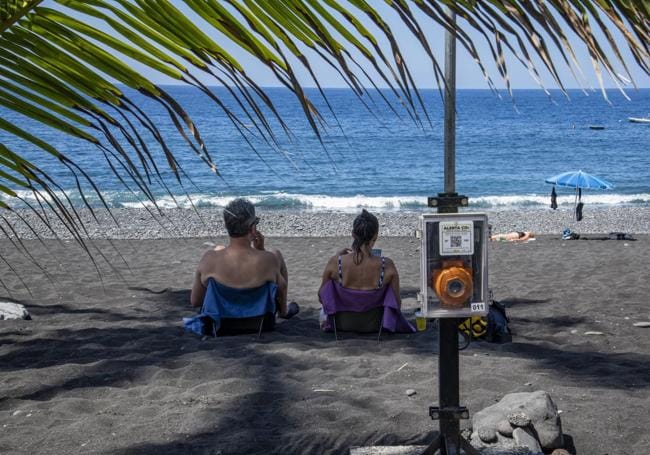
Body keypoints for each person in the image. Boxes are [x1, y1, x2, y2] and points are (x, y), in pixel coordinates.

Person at [190, 198, 299, 319]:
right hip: (259, 323)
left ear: (227, 226)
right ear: (252, 228)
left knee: (219, 249)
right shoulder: (269, 259)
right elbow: (281, 288)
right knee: (275, 253)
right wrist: (260, 250)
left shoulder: (208, 259)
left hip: (222, 323)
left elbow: (196, 301)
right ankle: (283, 312)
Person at [318, 209, 414, 333]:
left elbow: (321, 296)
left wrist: (337, 256)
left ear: (353, 234)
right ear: (375, 236)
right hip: (376, 325)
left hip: (342, 324)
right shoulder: (387, 265)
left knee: (329, 287)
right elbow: (396, 303)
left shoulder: (336, 262)